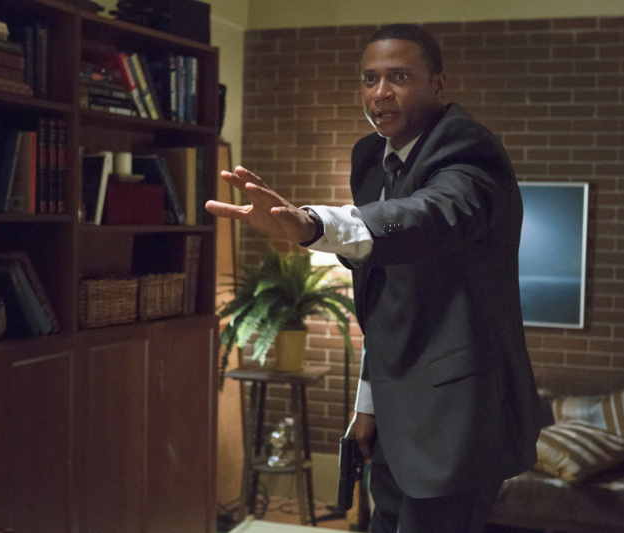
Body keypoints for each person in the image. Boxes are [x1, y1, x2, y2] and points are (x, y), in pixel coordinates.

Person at [206, 23, 541, 533]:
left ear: (438, 85)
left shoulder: (470, 149)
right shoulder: (371, 159)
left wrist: (315, 224)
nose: (380, 93)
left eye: (399, 77)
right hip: (394, 421)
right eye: (369, 79)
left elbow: (432, 216)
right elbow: (388, 297)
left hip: (458, 424)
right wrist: (368, 404)